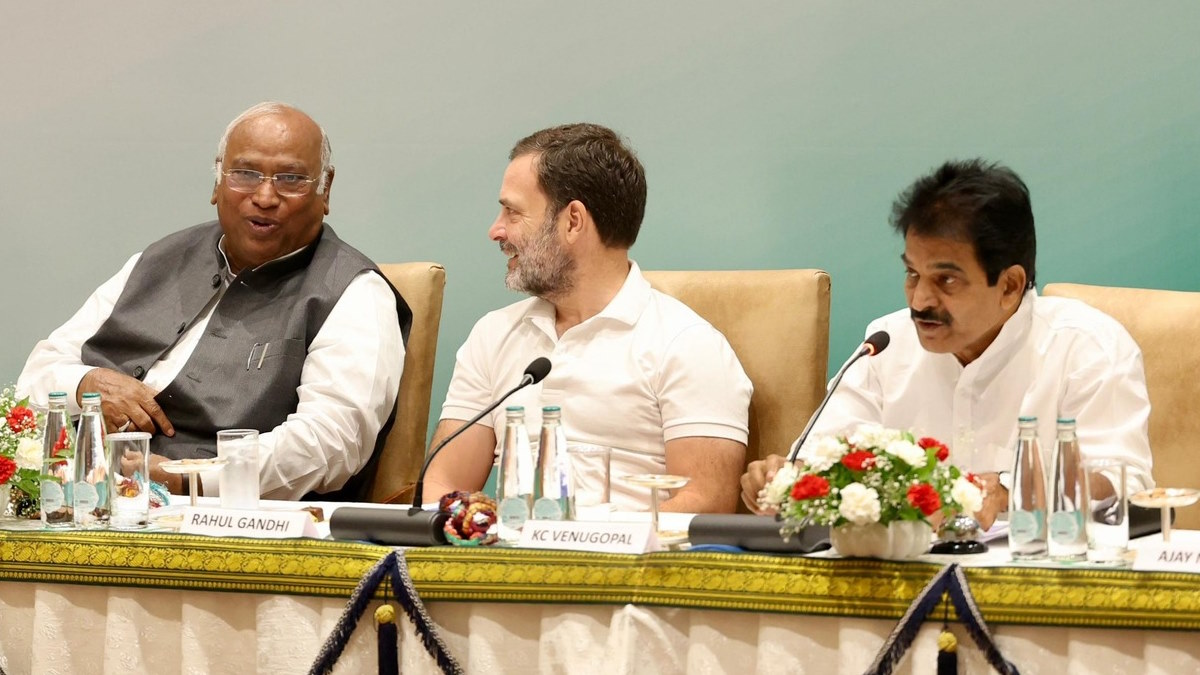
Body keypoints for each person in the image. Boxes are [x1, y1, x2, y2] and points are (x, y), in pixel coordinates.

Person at [18, 102, 410, 501]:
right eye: (245, 174)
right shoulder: (158, 260)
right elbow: (37, 376)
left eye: (291, 178)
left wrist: (189, 478)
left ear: (325, 189)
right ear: (217, 181)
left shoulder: (355, 293)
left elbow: (331, 443)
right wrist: (86, 385)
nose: (265, 196)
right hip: (85, 498)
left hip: (226, 519)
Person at [740, 159, 1152, 527]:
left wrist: (1010, 491)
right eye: (913, 274)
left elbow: (1121, 481)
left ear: (1010, 286)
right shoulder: (885, 345)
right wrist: (785, 477)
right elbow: (823, 457)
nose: (920, 301)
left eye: (946, 280)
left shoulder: (1087, 348)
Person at [423, 123, 752, 512]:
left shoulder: (687, 344)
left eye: (513, 212)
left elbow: (706, 503)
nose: (496, 230)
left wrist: (583, 538)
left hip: (631, 549)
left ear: (573, 221)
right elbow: (443, 484)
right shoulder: (493, 334)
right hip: (508, 546)